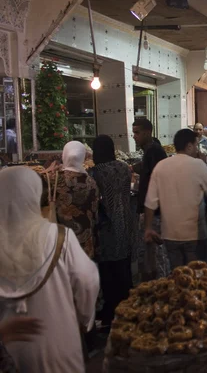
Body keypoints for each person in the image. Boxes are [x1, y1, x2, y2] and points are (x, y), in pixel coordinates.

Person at [0, 167, 99, 372]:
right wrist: (84, 319)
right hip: (58, 346)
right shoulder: (59, 236)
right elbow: (87, 280)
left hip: (9, 349)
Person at [145, 129, 207, 269]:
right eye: (196, 145)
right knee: (198, 278)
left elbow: (150, 202)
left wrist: (148, 228)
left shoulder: (161, 166)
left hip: (170, 234)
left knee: (178, 276)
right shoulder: (198, 165)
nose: (197, 149)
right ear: (189, 146)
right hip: (195, 234)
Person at [89, 135, 134, 327]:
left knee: (108, 270)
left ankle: (111, 312)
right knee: (124, 267)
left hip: (107, 224)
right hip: (124, 220)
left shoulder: (95, 172)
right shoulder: (124, 167)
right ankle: (129, 307)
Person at [46, 141, 99, 258]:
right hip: (85, 246)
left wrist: (47, 171)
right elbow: (95, 214)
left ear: (65, 155)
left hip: (60, 243)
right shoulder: (91, 182)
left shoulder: (54, 179)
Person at [132, 118, 168, 280]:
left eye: (137, 132)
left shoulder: (154, 151)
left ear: (147, 132)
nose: (134, 136)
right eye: (133, 133)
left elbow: (157, 183)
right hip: (153, 212)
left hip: (155, 214)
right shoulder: (151, 150)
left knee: (156, 256)